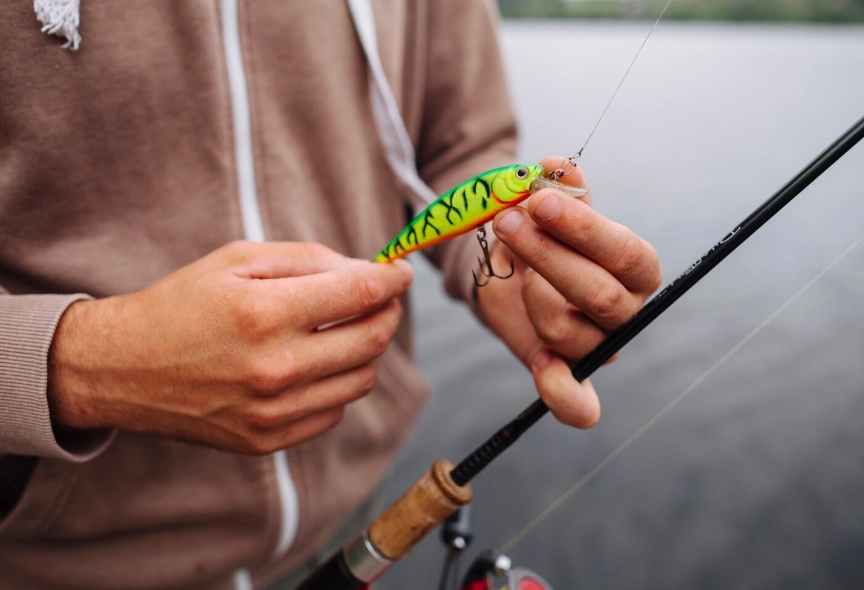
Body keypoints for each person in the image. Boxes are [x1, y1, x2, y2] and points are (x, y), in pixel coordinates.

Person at [0, 1, 661, 588]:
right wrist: (77, 365)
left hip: (355, 511)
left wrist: (503, 264)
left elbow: (460, 146)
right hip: (58, 559)